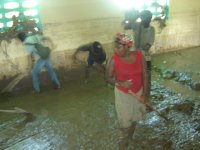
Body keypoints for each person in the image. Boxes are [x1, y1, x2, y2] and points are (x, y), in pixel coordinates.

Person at [106, 33, 148, 149]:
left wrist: (145, 94)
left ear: (127, 46)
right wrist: (121, 83)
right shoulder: (113, 60)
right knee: (125, 124)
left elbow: (145, 75)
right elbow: (108, 78)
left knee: (135, 119)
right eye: (114, 47)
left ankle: (130, 137)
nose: (115, 49)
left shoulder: (139, 56)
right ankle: (123, 143)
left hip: (138, 93)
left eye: (118, 47)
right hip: (123, 94)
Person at [124, 9, 155, 97]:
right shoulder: (137, 25)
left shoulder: (152, 29)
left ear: (150, 19)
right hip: (137, 56)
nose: (146, 20)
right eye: (144, 18)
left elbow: (149, 45)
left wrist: (140, 49)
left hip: (145, 57)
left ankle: (146, 95)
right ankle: (138, 92)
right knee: (137, 76)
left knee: (147, 77)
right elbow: (126, 25)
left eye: (148, 18)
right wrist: (137, 16)